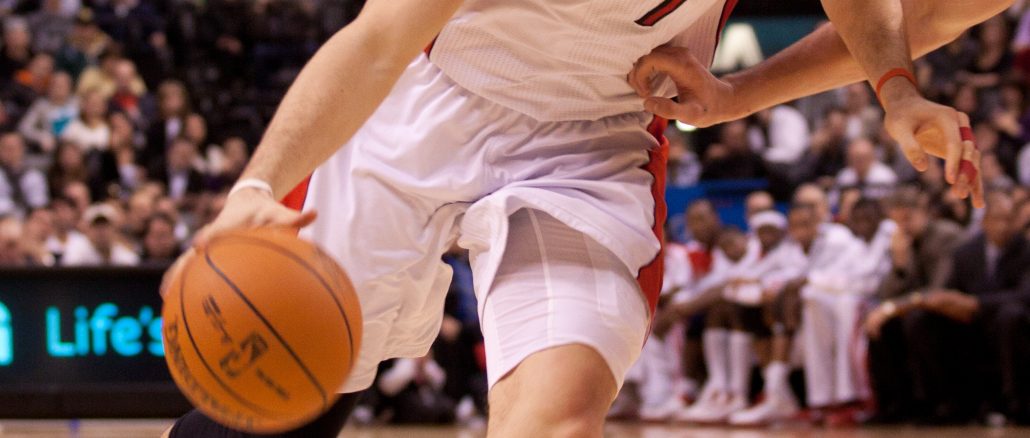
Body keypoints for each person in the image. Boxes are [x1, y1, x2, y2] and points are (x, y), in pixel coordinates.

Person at [164, 0, 997, 436]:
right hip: (425, 99)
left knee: (555, 417)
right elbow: (380, 39)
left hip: (594, 136)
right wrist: (257, 188)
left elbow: (918, 11)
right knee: (279, 386)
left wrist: (891, 88)